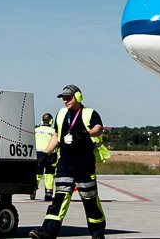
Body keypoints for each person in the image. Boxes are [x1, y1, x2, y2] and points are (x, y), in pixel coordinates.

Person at [30, 85, 108, 239]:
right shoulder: (61, 114)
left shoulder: (89, 113)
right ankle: (48, 232)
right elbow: (57, 136)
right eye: (64, 98)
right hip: (65, 164)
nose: (66, 101)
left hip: (84, 165)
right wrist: (45, 153)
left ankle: (98, 234)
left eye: (69, 97)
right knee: (60, 198)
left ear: (78, 97)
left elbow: (99, 128)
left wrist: (87, 133)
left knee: (90, 200)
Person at [34, 112, 57, 201]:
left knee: (38, 173)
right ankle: (48, 194)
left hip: (37, 154)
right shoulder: (53, 131)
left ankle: (34, 186)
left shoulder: (36, 130)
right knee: (49, 174)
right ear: (51, 121)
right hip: (50, 154)